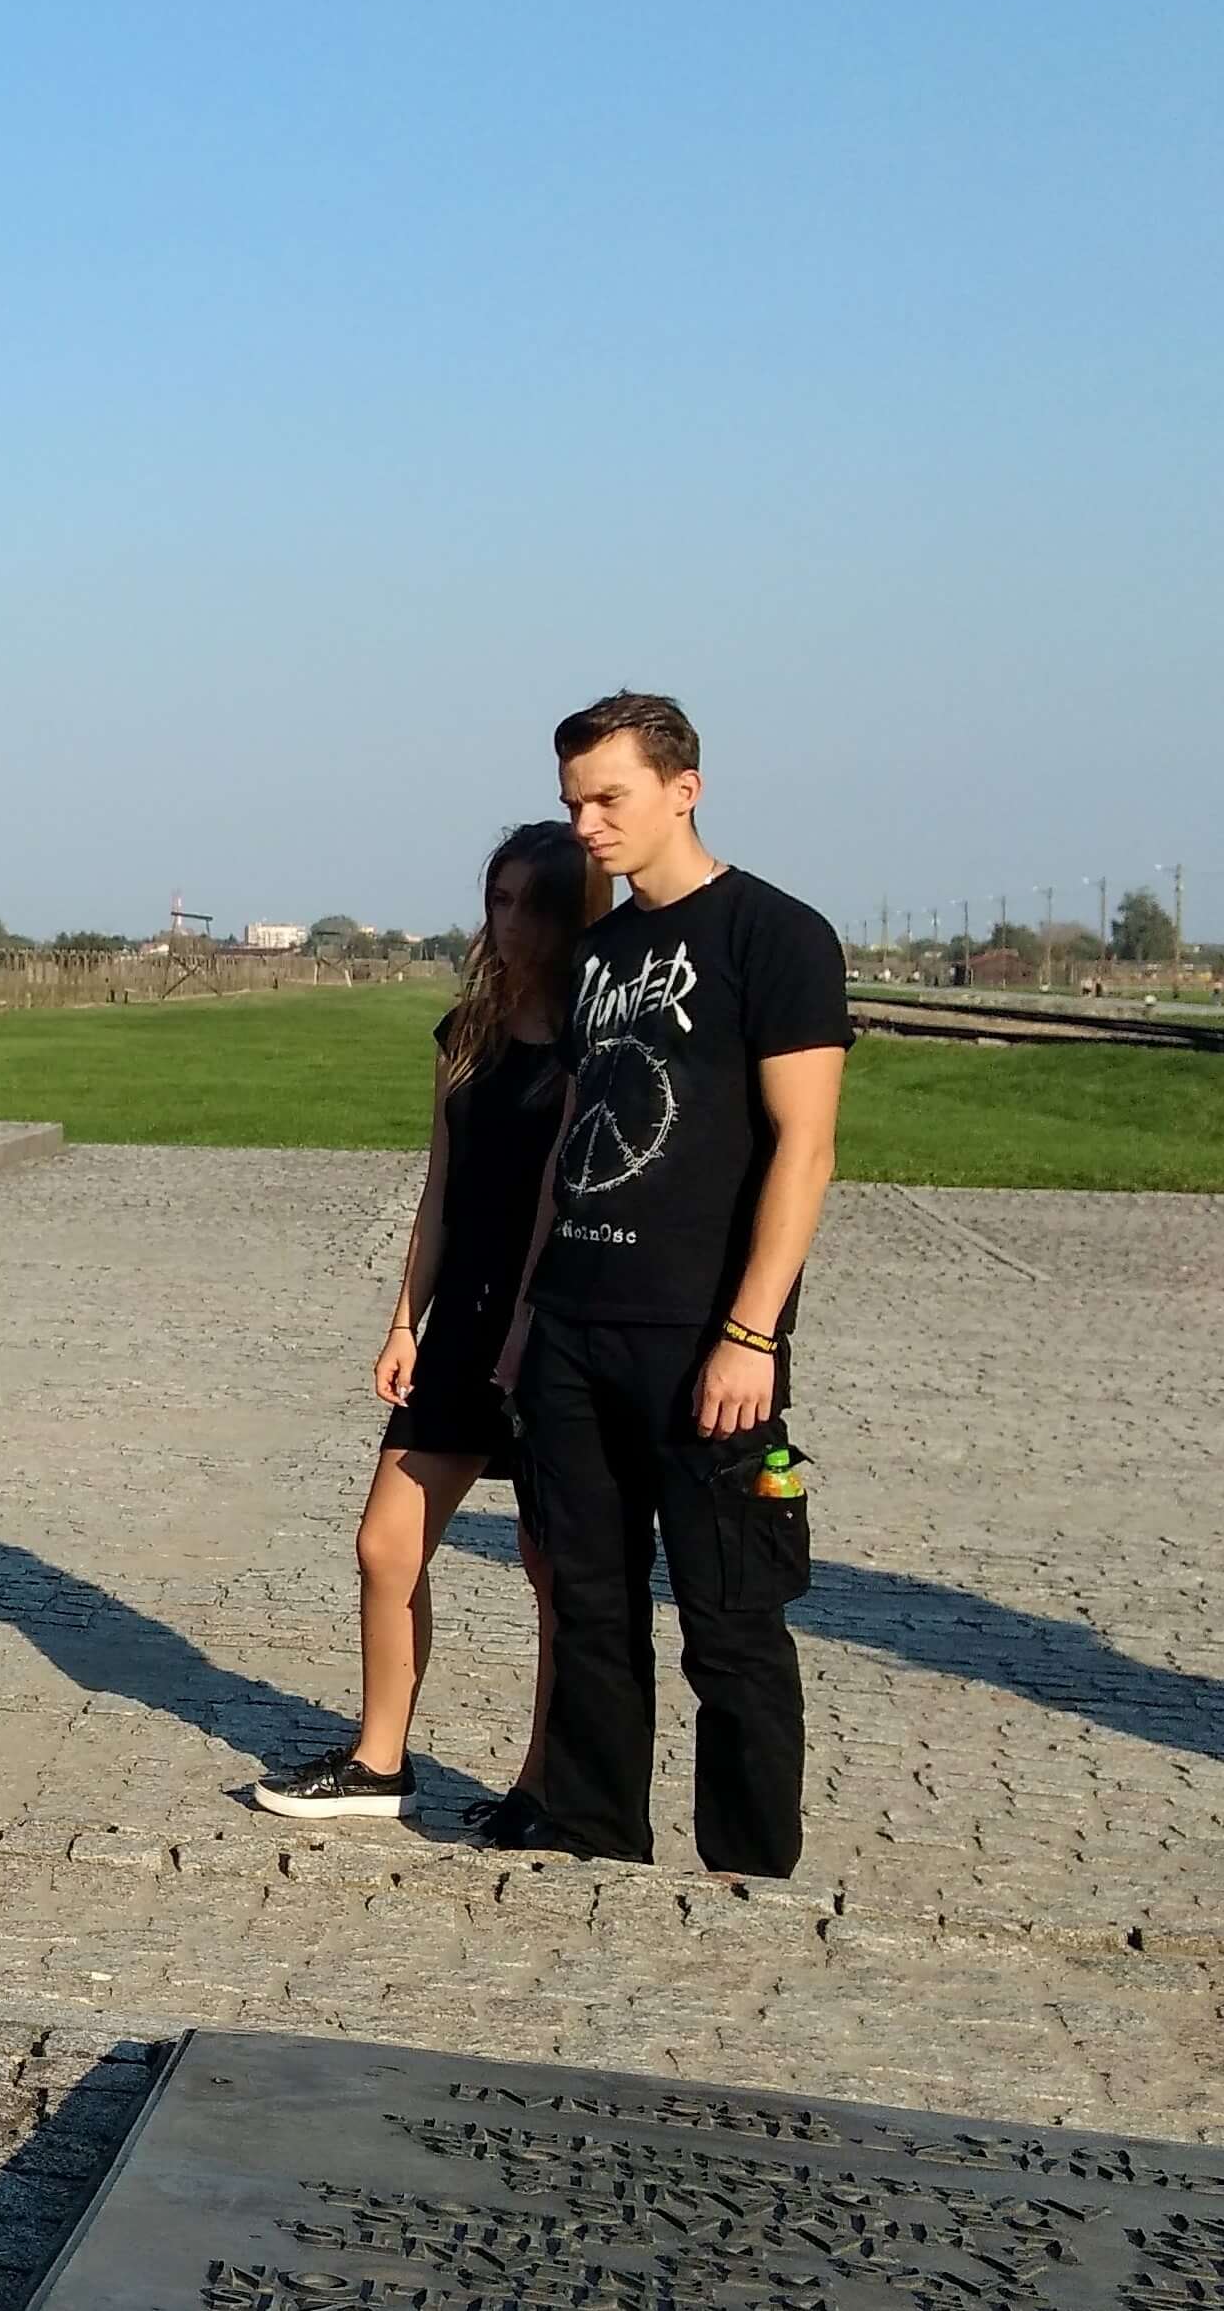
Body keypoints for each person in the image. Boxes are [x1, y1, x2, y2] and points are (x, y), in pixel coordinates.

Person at [513, 691, 849, 1878]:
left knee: (729, 1619)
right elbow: (571, 1142)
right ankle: (593, 1835)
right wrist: (526, 1322)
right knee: (589, 1607)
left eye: (607, 797)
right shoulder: (598, 954)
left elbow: (804, 1147)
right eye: (572, 802)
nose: (585, 825)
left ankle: (748, 1871)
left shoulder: (775, 934)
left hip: (701, 1334)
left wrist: (750, 1334)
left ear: (682, 789)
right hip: (574, 1326)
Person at [255, 822, 588, 1828]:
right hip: (461, 1321)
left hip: (549, 1324)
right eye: (498, 900)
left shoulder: (589, 1040)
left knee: (549, 1566)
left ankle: (543, 1781)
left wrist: (526, 1325)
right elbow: (438, 1192)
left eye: (532, 904)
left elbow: (557, 1201)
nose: (511, 924)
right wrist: (404, 1320)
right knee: (384, 1543)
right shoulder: (466, 1033)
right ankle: (379, 1758)